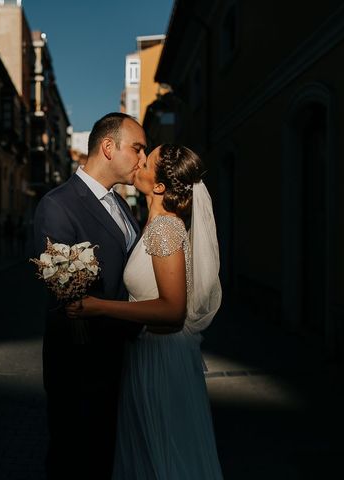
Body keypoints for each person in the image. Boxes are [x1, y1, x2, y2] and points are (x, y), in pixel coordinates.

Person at [66, 144, 224, 479]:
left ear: (160, 187)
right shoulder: (154, 224)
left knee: (165, 453)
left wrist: (98, 307)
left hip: (162, 354)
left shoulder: (165, 229)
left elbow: (172, 310)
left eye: (146, 160)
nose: (138, 160)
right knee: (152, 451)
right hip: (150, 350)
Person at [33, 112, 147, 479]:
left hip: (121, 354)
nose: (142, 160)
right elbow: (65, 291)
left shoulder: (123, 205)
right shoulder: (58, 204)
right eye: (138, 149)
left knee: (105, 456)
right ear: (108, 147)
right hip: (81, 360)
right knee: (74, 459)